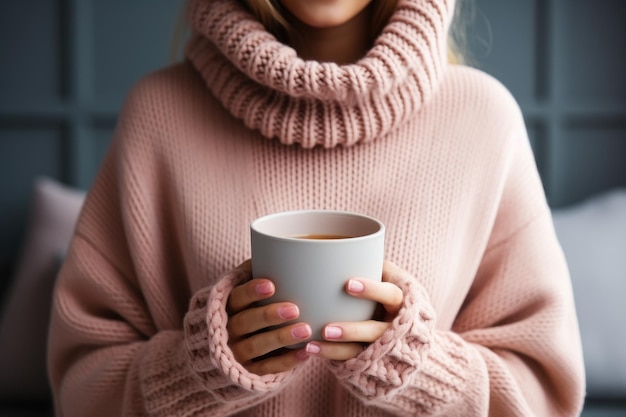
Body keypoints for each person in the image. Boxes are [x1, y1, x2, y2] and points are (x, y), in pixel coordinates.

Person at [47, 0, 586, 415]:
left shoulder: (483, 120)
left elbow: (547, 394)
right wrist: (199, 369)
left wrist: (419, 367)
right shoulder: (159, 115)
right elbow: (79, 384)